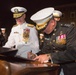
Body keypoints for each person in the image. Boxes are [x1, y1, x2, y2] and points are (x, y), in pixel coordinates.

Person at [30, 7, 76, 75]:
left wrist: (49, 56)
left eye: (44, 28)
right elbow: (46, 49)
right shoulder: (47, 31)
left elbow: (73, 52)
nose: (43, 31)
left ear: (52, 22)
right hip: (53, 70)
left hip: (68, 70)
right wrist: (35, 55)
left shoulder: (69, 30)